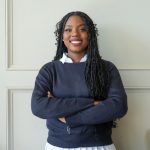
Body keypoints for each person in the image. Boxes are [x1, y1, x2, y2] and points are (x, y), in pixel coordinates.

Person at [31, 11, 128, 150]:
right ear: (61, 36)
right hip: (58, 146)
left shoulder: (107, 68)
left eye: (82, 29)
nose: (75, 34)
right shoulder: (49, 70)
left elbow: (119, 106)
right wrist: (92, 102)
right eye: (68, 29)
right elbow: (38, 106)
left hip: (100, 146)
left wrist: (69, 119)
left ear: (90, 35)